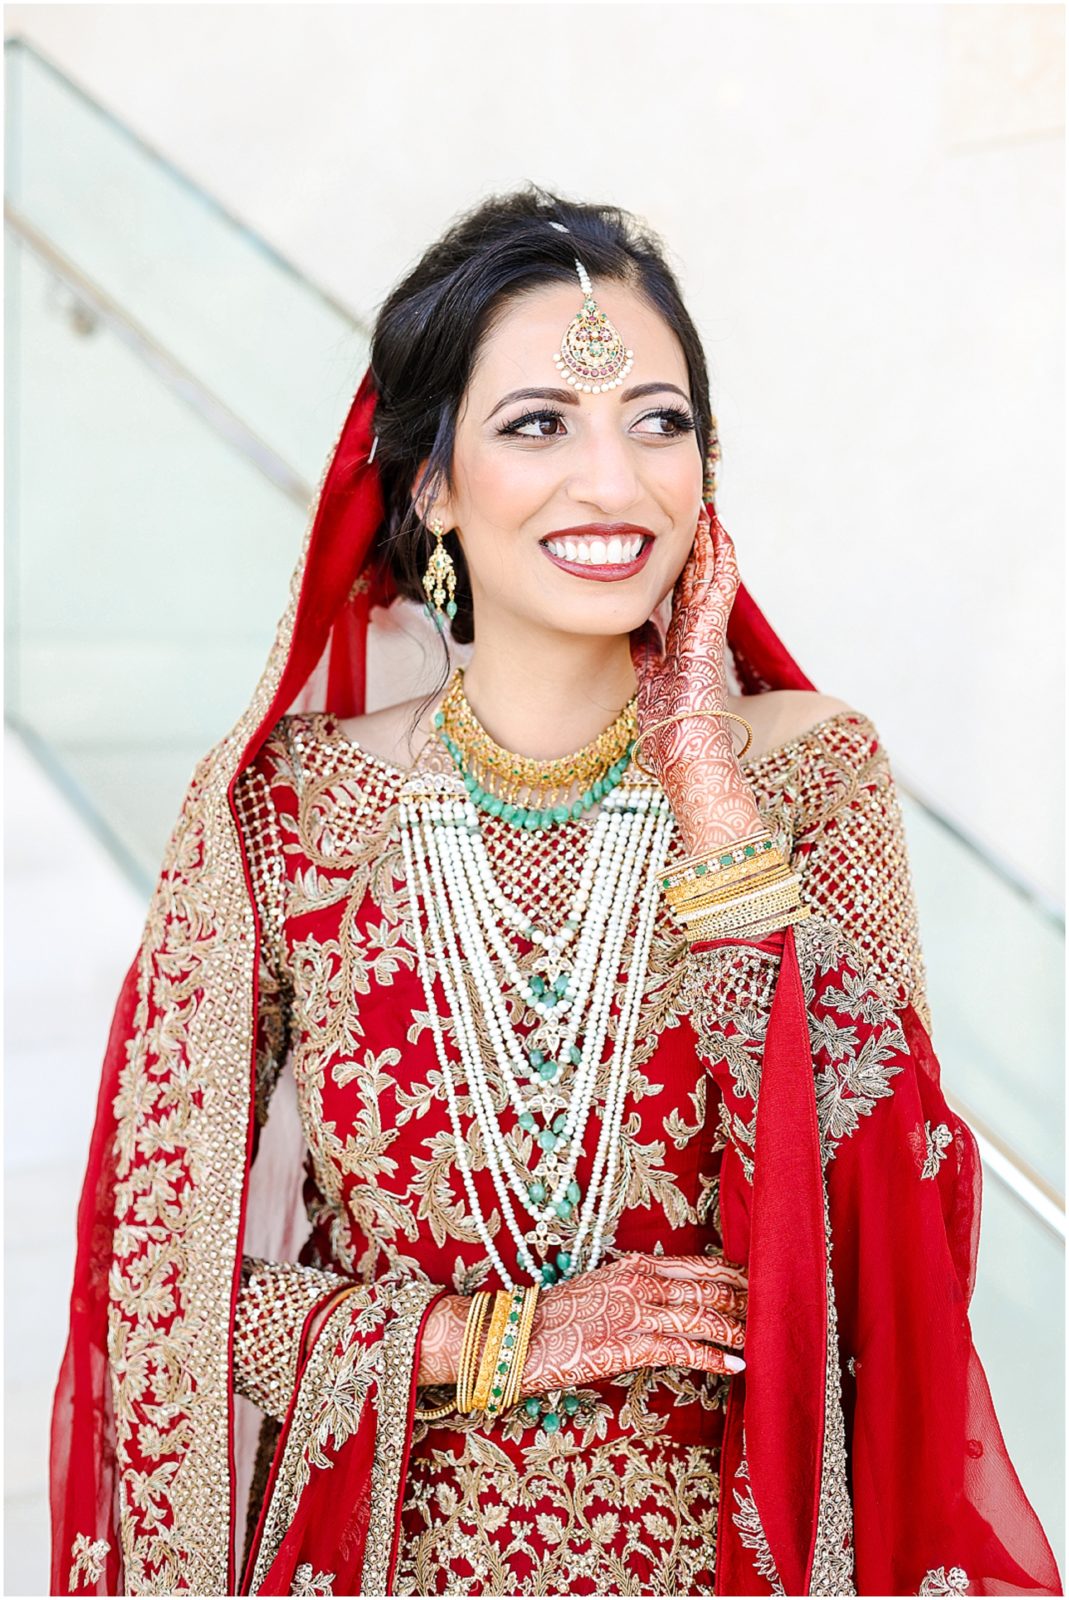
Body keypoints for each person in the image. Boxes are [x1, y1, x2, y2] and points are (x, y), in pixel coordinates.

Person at [49, 187, 1061, 1598]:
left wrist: (709, 795)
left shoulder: (804, 775)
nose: (614, 479)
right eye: (539, 424)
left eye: (659, 421)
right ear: (430, 486)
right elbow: (155, 1296)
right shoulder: (280, 814)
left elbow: (889, 1233)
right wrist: (484, 1342)